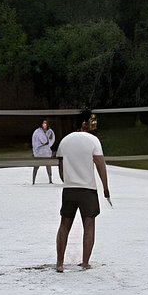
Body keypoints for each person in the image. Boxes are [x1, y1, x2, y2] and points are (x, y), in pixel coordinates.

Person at [55, 109, 111, 273]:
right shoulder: (93, 140)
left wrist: (68, 180)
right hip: (87, 190)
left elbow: (61, 167)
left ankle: (60, 263)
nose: (94, 124)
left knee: (64, 225)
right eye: (91, 120)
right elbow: (100, 164)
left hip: (70, 189)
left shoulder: (65, 141)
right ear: (83, 123)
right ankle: (85, 262)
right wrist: (106, 188)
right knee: (89, 225)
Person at [31, 119, 56, 184]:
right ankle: (33, 181)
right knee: (36, 166)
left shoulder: (50, 131)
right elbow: (44, 141)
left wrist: (48, 141)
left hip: (46, 152)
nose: (45, 125)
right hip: (39, 152)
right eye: (43, 123)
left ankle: (50, 180)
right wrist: (46, 141)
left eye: (46, 123)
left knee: (48, 165)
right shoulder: (38, 132)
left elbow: (50, 141)